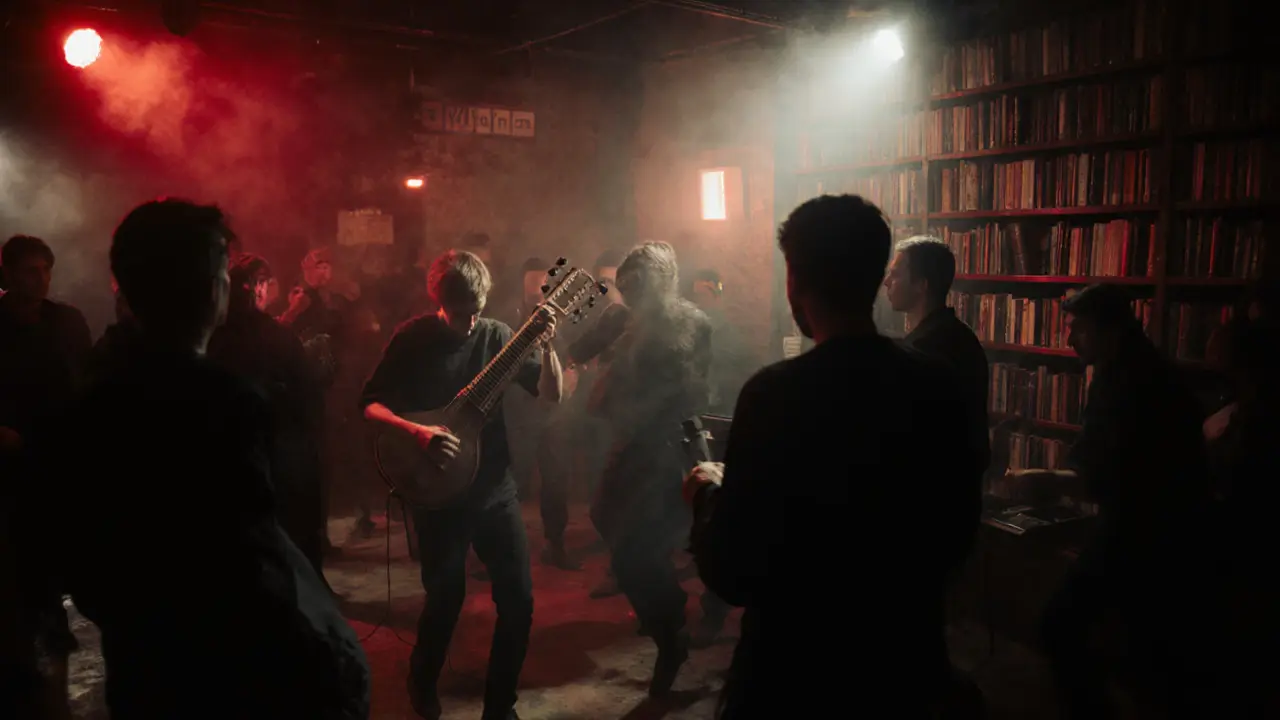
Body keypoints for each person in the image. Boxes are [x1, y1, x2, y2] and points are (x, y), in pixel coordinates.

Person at [38, 199, 369, 718]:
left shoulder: (93, 394)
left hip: (144, 668)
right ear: (208, 287)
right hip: (228, 676)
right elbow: (255, 568)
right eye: (221, 270)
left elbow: (83, 564)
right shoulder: (221, 402)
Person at [683, 195, 982, 717]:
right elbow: (956, 531)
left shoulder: (773, 394)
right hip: (905, 669)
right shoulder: (937, 385)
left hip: (793, 678)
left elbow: (733, 570)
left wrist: (708, 493)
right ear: (873, 280)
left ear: (795, 281)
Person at [360, 249, 563, 720]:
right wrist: (419, 432)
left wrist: (549, 347)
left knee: (519, 601)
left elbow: (550, 397)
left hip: (495, 488)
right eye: (460, 314)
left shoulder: (497, 335)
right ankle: (422, 680)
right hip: (436, 494)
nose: (470, 323)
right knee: (445, 598)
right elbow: (370, 404)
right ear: (439, 300)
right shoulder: (412, 338)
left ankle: (500, 706)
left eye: (477, 311)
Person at [1008, 284, 1218, 719]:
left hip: (1148, 531)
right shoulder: (1134, 369)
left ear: (1112, 329)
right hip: (1165, 527)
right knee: (1146, 654)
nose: (1068, 340)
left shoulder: (1130, 383)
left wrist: (1043, 480)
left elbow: (1105, 476)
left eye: (1078, 329)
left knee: (1064, 626)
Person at [578, 241, 712, 695]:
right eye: (625, 286)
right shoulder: (621, 319)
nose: (630, 294)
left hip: (664, 449)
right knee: (609, 525)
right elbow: (577, 354)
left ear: (662, 283)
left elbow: (696, 388)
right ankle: (665, 611)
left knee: (640, 551)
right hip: (626, 444)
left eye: (638, 286)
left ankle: (670, 633)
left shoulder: (691, 322)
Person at [0, 234, 89, 719]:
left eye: (45, 269)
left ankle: (49, 629)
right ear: (9, 274)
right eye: (30, 270)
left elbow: (85, 380)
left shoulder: (65, 321)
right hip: (13, 467)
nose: (40, 279)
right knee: (20, 561)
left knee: (56, 556)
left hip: (59, 461)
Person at [208, 254, 328, 580]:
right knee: (293, 521)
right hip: (278, 443)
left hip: (237, 446)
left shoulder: (214, 332)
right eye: (261, 283)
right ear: (256, 287)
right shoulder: (265, 333)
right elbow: (304, 387)